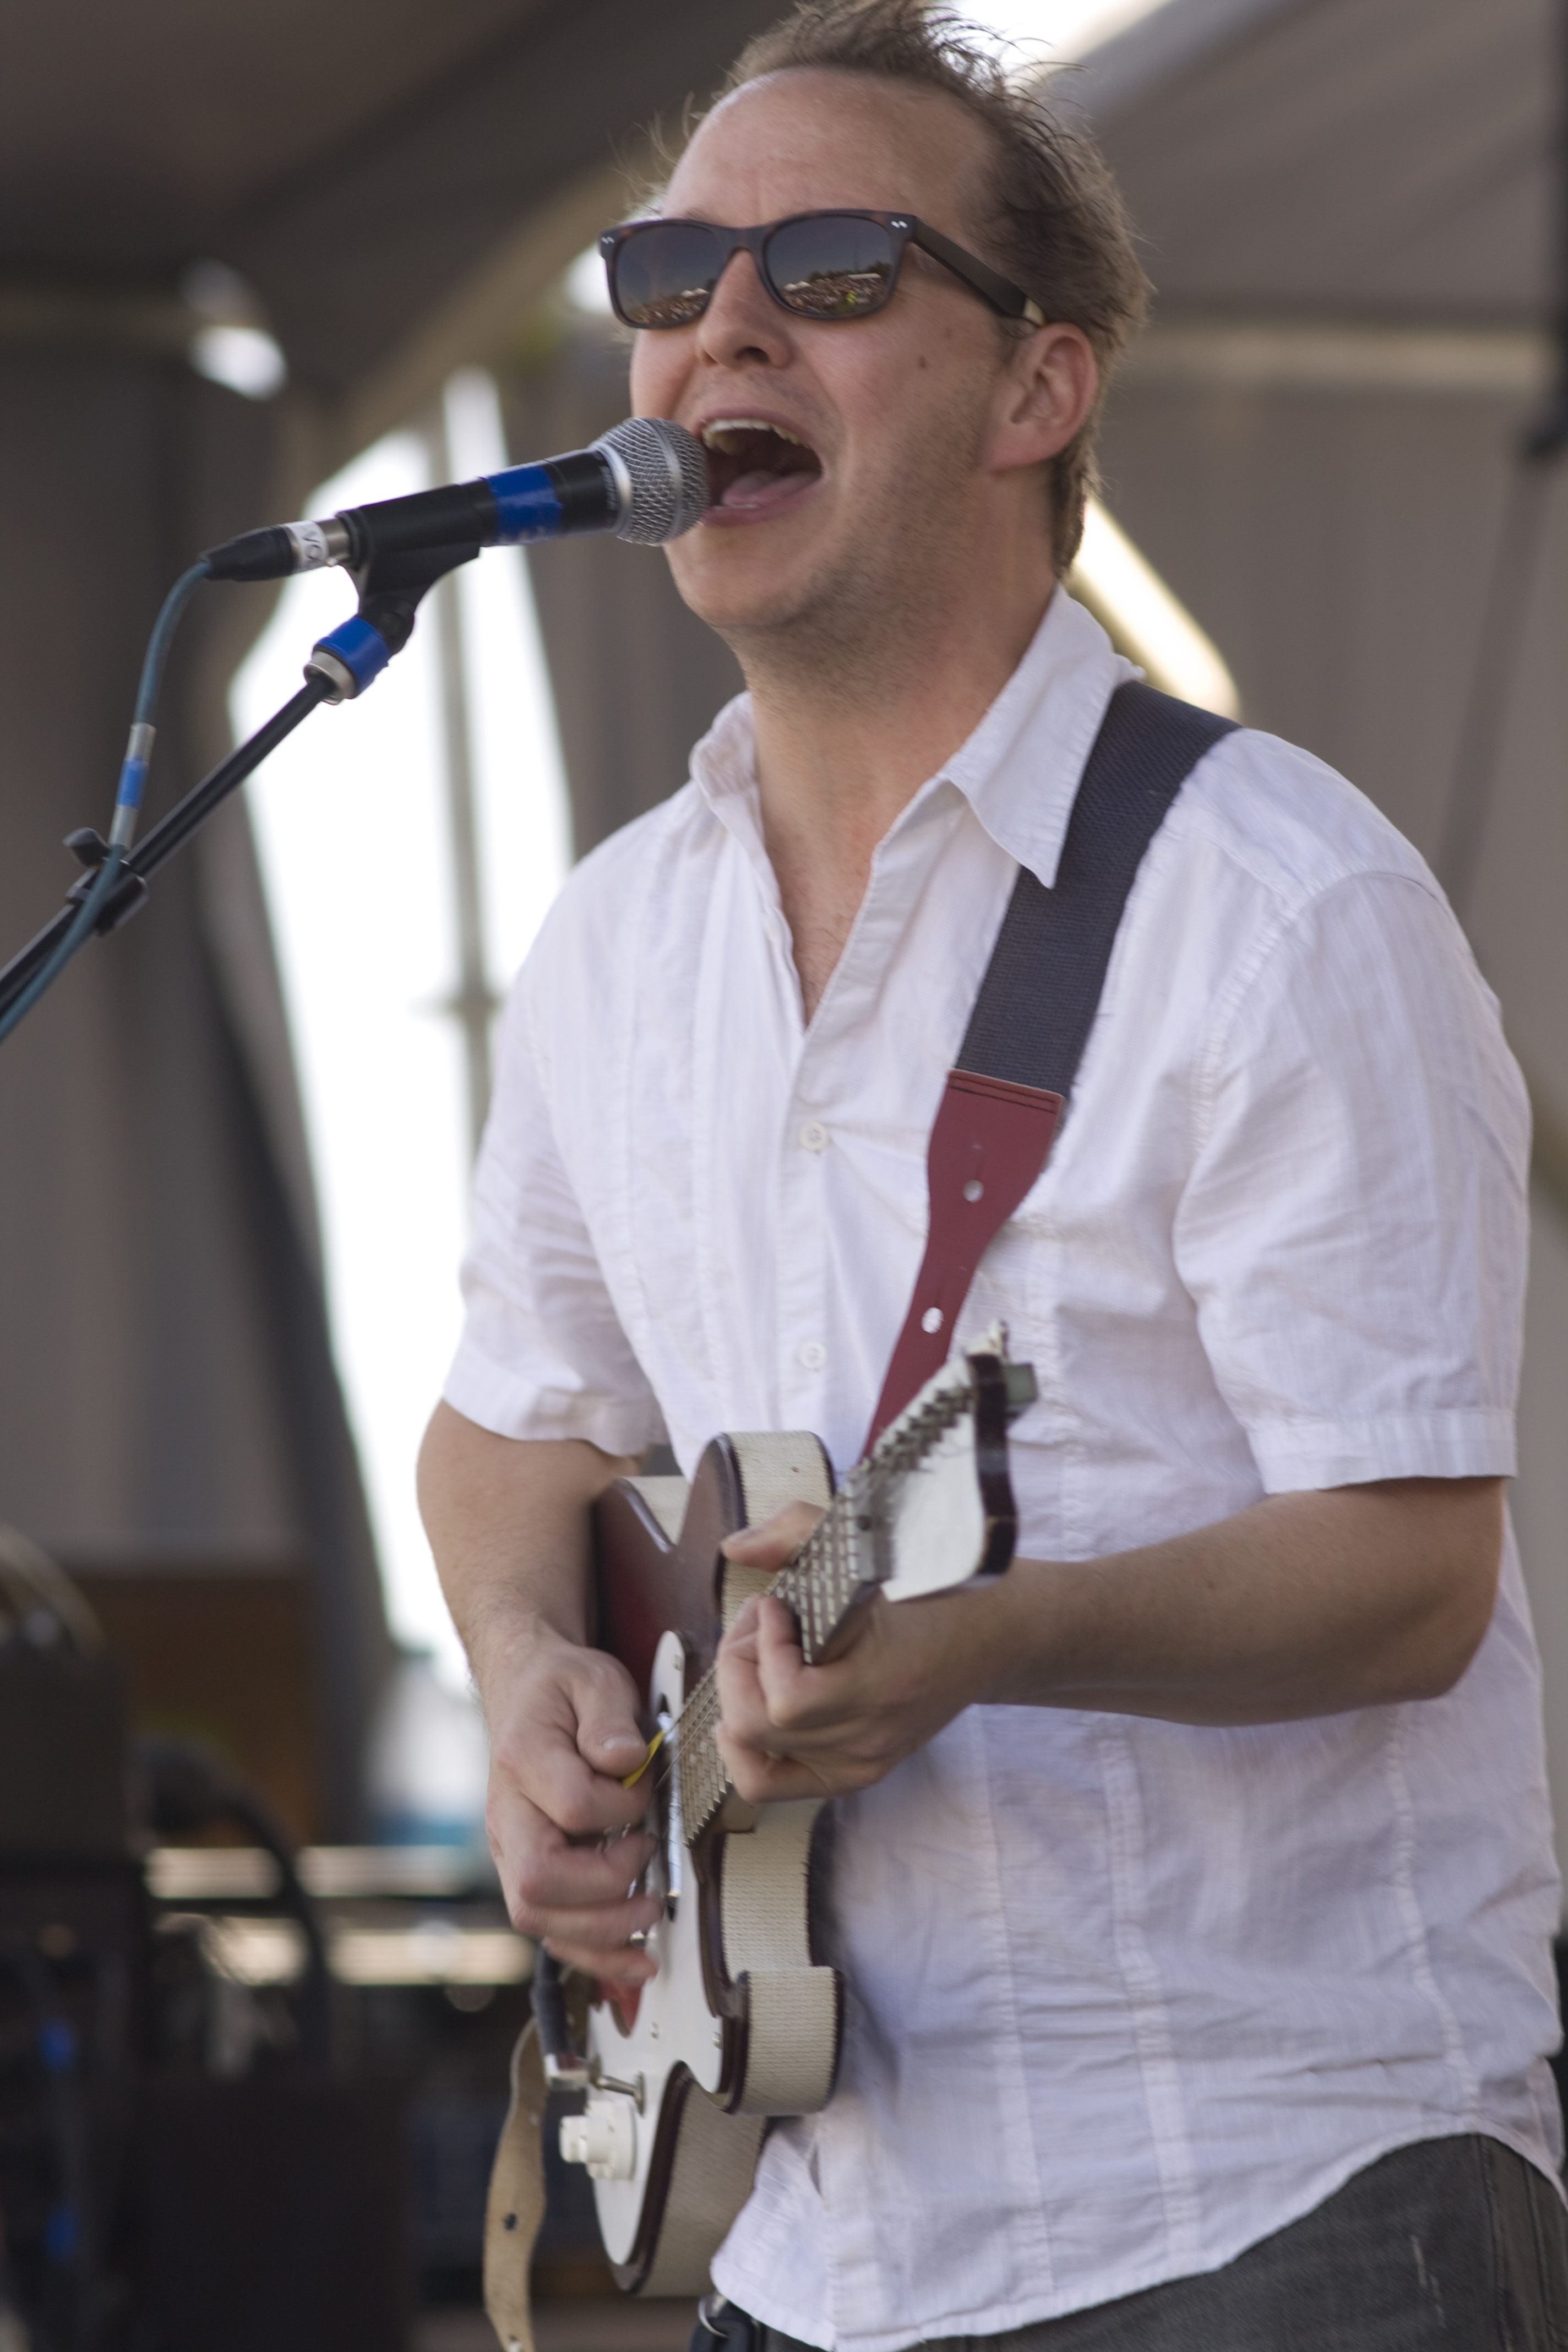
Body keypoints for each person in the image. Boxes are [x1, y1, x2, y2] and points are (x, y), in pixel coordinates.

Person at [417, 4, 1567, 2343]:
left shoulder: (1278, 905)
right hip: (823, 2243)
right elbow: (506, 1429)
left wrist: (987, 1646)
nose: (720, 322)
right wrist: (533, 1673)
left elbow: (1409, 1571)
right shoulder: (620, 943)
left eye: (831, 269)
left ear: (1037, 394)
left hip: (1274, 2198)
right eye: (672, 277)